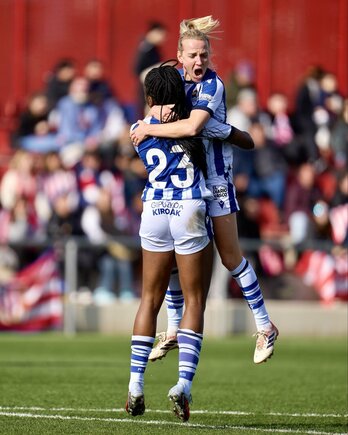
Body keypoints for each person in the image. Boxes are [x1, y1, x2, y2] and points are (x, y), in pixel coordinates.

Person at [130, 15, 278, 365]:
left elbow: (194, 125)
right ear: (179, 55)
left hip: (216, 182)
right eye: (193, 55)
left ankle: (265, 325)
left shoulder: (213, 85)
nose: (199, 62)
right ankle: (173, 329)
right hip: (188, 184)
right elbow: (151, 92)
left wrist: (147, 129)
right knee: (173, 261)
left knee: (230, 257)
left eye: (204, 56)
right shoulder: (174, 83)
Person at [125, 64, 214, 422]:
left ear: (148, 98)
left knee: (149, 299)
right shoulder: (195, 123)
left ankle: (135, 385)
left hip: (155, 209)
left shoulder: (138, 129)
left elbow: (152, 128)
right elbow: (196, 130)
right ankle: (183, 385)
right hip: (188, 207)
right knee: (195, 299)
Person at [133, 21, 167, 118]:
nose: (163, 38)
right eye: (161, 34)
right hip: (146, 86)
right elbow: (137, 68)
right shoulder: (146, 48)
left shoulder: (154, 48)